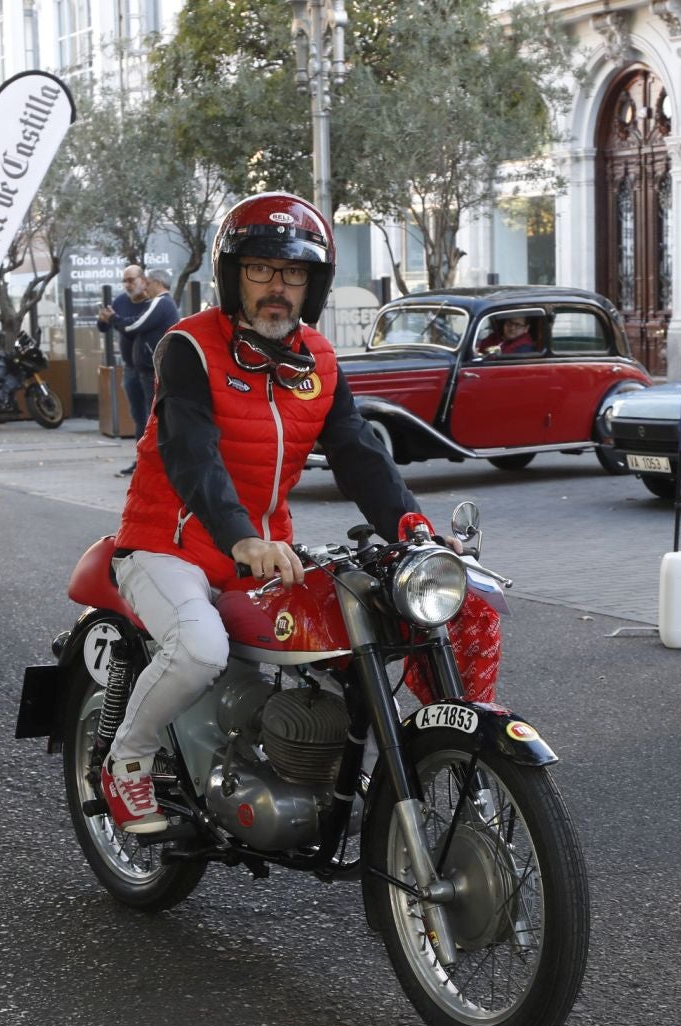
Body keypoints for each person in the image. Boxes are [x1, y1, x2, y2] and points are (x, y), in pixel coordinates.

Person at [97, 192, 442, 834]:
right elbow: (190, 454)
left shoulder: (319, 360)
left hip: (266, 549)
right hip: (168, 546)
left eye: (293, 273)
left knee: (349, 641)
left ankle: (316, 775)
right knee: (199, 649)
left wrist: (412, 529)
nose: (276, 287)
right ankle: (127, 762)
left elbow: (358, 453)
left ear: (312, 285)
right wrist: (239, 539)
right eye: (260, 269)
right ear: (234, 277)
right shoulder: (189, 348)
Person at [98, 265, 180, 477]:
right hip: (136, 369)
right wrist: (107, 320)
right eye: (125, 281)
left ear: (153, 282)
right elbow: (110, 326)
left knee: (152, 419)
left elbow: (135, 326)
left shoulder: (159, 303)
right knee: (141, 417)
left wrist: (115, 319)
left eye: (133, 280)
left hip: (151, 370)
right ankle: (144, 461)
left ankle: (154, 464)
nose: (131, 285)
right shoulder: (125, 301)